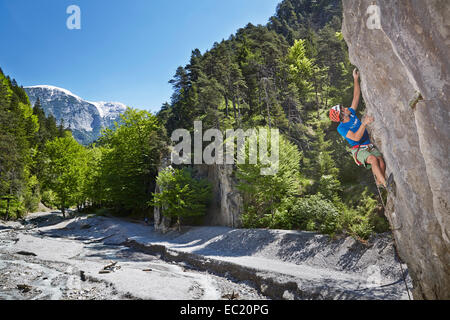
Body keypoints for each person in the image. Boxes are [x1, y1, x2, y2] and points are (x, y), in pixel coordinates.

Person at [329, 69, 390, 189]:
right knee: (373, 159)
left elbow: (356, 97)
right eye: (343, 109)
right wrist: (364, 123)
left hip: (367, 144)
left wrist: (355, 79)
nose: (346, 108)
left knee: (381, 163)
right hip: (358, 149)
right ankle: (386, 184)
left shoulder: (351, 113)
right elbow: (356, 137)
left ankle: (379, 181)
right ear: (342, 116)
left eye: (343, 107)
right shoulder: (341, 128)